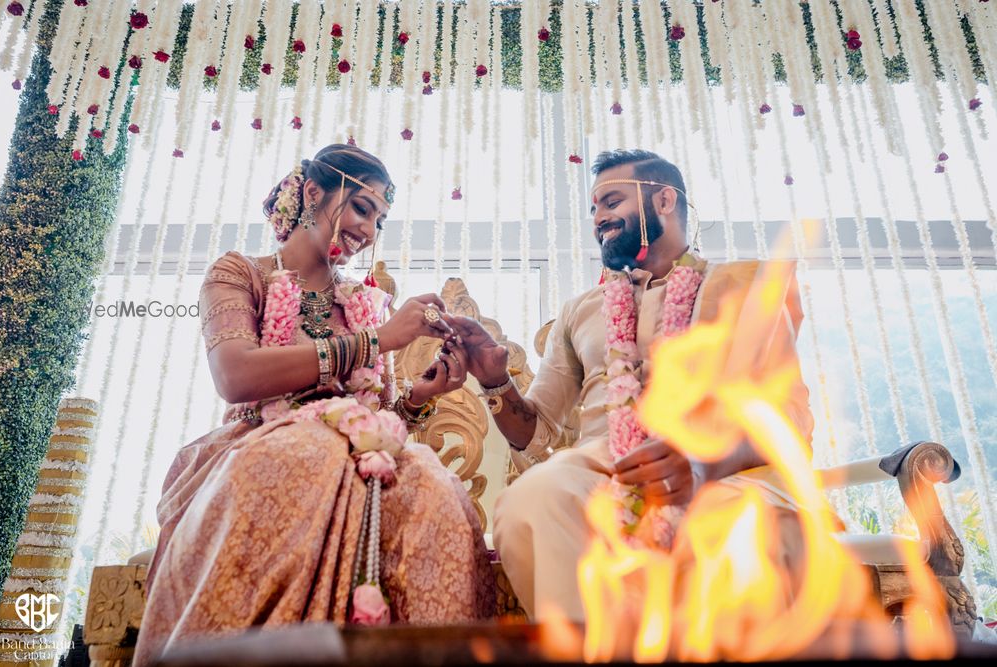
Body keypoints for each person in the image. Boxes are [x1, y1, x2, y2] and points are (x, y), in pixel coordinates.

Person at [133, 144, 494, 666]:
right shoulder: (240, 274)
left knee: (432, 488)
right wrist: (376, 341)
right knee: (307, 451)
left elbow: (380, 413)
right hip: (261, 439)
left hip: (359, 451)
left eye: (380, 221)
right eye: (362, 208)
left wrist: (420, 396)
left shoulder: (367, 304)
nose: (368, 231)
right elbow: (236, 375)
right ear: (311, 193)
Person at [448, 149, 814, 622]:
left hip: (730, 469)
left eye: (611, 201)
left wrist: (700, 463)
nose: (599, 218)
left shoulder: (747, 286)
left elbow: (790, 418)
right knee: (532, 498)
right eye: (594, 209)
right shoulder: (582, 309)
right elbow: (538, 437)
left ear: (664, 200)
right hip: (605, 464)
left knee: (734, 527)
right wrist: (495, 381)